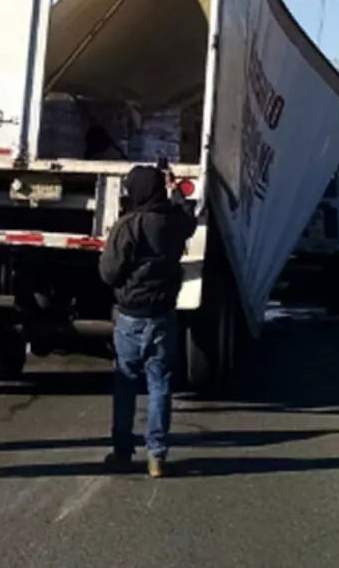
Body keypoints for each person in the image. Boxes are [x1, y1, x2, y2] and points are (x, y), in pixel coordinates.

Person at [98, 165, 197, 478]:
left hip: (130, 315)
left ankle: (123, 452)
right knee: (160, 385)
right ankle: (157, 455)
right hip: (164, 315)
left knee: (126, 384)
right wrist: (176, 192)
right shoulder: (172, 223)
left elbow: (109, 272)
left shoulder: (128, 226)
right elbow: (189, 219)